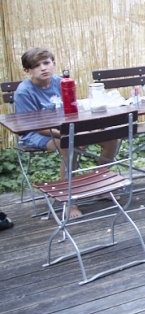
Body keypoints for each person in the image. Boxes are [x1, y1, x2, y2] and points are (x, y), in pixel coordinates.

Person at [14, 47, 118, 219]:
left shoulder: (62, 82)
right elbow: (31, 126)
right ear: (27, 70)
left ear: (53, 63)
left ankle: (100, 183)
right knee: (68, 145)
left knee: (110, 137)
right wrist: (67, 136)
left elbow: (73, 110)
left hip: (66, 128)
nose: (43, 68)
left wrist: (80, 130)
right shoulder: (24, 92)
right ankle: (69, 202)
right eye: (36, 66)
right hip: (37, 134)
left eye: (46, 63)